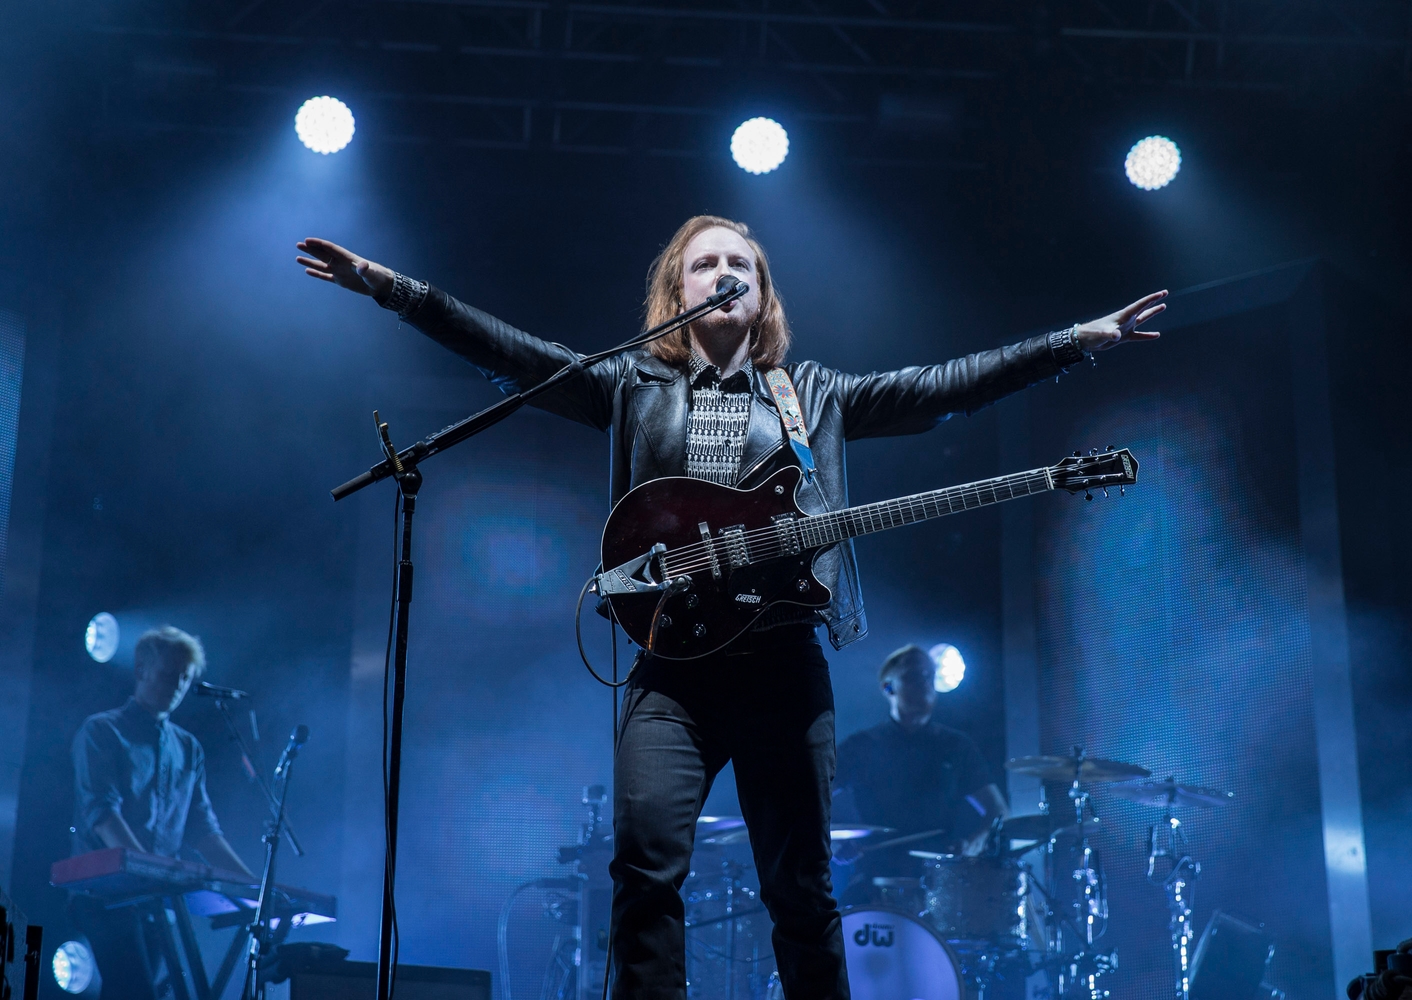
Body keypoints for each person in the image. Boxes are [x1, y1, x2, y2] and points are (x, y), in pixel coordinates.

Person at [295, 217, 1165, 1000]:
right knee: (644, 871)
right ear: (676, 290)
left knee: (801, 888)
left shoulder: (811, 394)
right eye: (704, 262)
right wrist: (390, 286)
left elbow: (946, 385)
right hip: (669, 673)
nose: (722, 273)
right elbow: (514, 353)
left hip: (783, 666)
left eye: (738, 263)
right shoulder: (632, 385)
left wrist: (1073, 341)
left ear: (761, 293)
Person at [70, 625, 254, 1000]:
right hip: (105, 895)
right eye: (169, 675)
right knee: (136, 992)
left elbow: (204, 830)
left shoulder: (188, 749)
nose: (178, 686)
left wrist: (255, 889)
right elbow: (103, 815)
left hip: (156, 902)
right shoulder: (102, 731)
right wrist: (147, 871)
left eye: (185, 679)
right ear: (140, 670)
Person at [833, 645, 1009, 902]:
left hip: (941, 884)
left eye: (929, 676)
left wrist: (974, 843)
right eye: (914, 676)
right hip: (873, 879)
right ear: (888, 687)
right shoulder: (860, 746)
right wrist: (833, 843)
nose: (925, 683)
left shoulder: (956, 746)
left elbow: (998, 810)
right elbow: (814, 798)